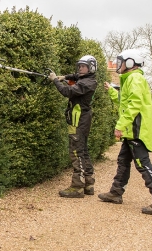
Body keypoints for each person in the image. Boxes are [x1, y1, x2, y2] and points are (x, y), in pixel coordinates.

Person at [99, 49, 152, 215]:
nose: (119, 65)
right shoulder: (130, 79)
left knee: (143, 164)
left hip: (136, 131)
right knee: (123, 161)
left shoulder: (135, 78)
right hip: (131, 132)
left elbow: (134, 105)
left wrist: (120, 125)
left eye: (121, 62)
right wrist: (111, 89)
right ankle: (116, 193)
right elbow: (123, 101)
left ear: (130, 63)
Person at [48, 55, 98, 198]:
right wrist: (64, 76)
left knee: (76, 153)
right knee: (84, 151)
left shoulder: (85, 84)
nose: (81, 69)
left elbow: (67, 92)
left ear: (91, 68)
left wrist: (56, 81)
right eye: (80, 66)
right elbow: (76, 76)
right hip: (83, 119)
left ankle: (77, 187)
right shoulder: (86, 79)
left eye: (84, 67)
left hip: (78, 121)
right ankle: (88, 183)